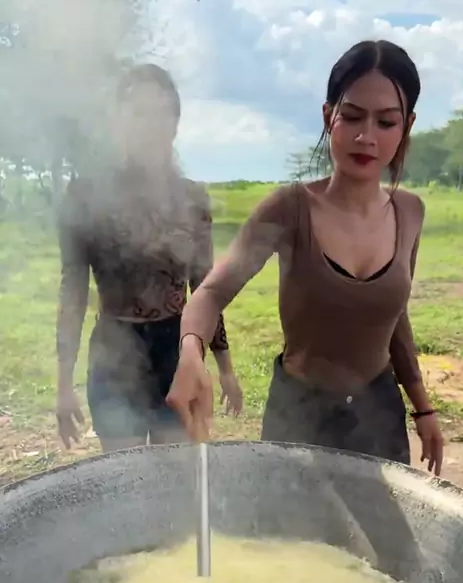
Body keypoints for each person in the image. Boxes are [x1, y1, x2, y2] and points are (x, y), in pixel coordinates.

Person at [167, 39, 443, 475]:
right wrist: (190, 353)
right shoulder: (289, 209)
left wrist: (423, 409)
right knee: (289, 522)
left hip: (378, 415)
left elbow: (395, 317)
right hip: (299, 415)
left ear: (406, 125)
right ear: (328, 115)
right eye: (352, 116)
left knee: (379, 523)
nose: (365, 136)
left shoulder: (410, 212)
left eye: (386, 121)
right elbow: (212, 292)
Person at [56, 64, 242, 452]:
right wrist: (63, 385)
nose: (150, 126)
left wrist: (225, 368)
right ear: (118, 121)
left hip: (177, 349)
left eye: (161, 113)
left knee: (174, 469)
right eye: (138, 113)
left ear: (175, 123)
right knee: (124, 472)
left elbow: (206, 289)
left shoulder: (192, 200)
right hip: (114, 351)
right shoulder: (86, 197)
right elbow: (73, 291)